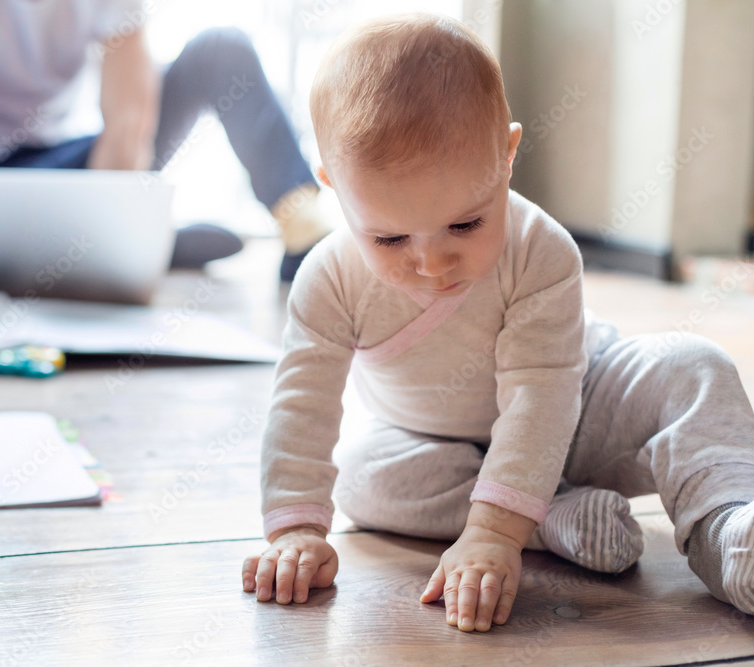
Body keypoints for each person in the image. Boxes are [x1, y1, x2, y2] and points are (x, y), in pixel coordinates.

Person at [240, 13, 754, 632]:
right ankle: (551, 518)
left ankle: (727, 528)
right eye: (389, 237)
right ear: (334, 189)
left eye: (465, 224)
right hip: (435, 445)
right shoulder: (328, 279)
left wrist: (490, 532)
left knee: (692, 366)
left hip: (579, 406)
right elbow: (302, 402)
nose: (431, 262)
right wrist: (295, 528)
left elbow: (541, 392)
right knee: (363, 477)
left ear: (507, 155)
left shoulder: (542, 248)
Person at [0, 0, 331, 281]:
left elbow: (129, 118)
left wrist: (107, 236)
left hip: (73, 165)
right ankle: (143, 246)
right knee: (2, 217)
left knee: (221, 50)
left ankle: (305, 233)